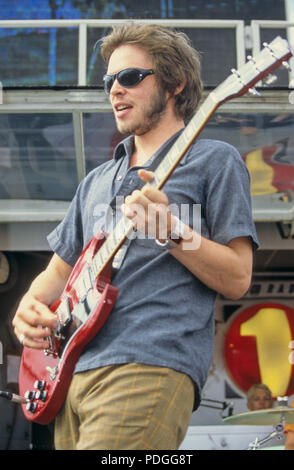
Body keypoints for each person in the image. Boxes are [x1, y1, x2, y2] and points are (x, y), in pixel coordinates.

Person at [12, 22, 258, 450]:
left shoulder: (215, 160)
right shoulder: (95, 181)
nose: (114, 91)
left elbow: (238, 277)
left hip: (149, 364)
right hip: (71, 377)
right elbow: (57, 273)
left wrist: (173, 232)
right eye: (110, 81)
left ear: (175, 83)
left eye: (129, 78)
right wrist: (28, 308)